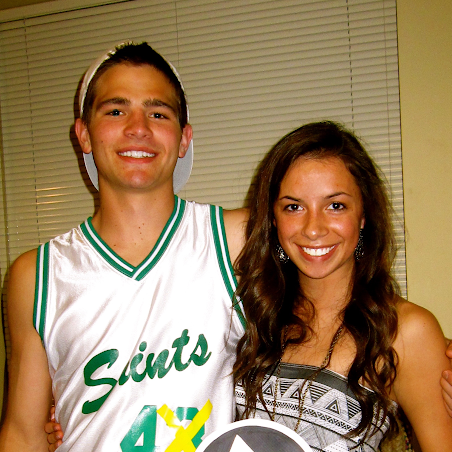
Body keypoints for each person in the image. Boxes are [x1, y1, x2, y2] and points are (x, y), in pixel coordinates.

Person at [0, 42, 248, 451]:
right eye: (116, 111)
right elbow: (23, 433)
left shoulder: (234, 240)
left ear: (184, 138)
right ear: (83, 134)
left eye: (158, 113)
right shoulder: (36, 275)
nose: (138, 128)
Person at [233, 121, 452, 451]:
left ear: (363, 215)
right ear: (273, 219)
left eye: (335, 205)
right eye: (294, 207)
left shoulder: (406, 331)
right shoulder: (251, 316)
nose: (313, 228)